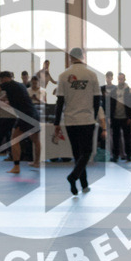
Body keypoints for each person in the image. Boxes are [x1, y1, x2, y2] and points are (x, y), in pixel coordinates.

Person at [53, 48, 104, 194]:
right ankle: (73, 177)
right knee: (86, 152)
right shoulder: (92, 75)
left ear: (70, 58)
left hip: (70, 120)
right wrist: (93, 117)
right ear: (83, 57)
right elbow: (97, 99)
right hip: (86, 119)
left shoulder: (63, 75)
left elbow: (60, 101)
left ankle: (83, 184)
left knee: (77, 154)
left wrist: (56, 122)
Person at [108, 72, 131, 163]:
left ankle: (128, 155)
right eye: (119, 79)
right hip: (115, 117)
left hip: (125, 117)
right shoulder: (114, 90)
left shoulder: (128, 90)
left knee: (127, 137)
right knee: (115, 137)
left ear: (124, 79)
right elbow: (110, 104)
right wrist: (110, 117)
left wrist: (130, 117)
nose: (120, 80)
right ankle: (115, 155)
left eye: (122, 78)